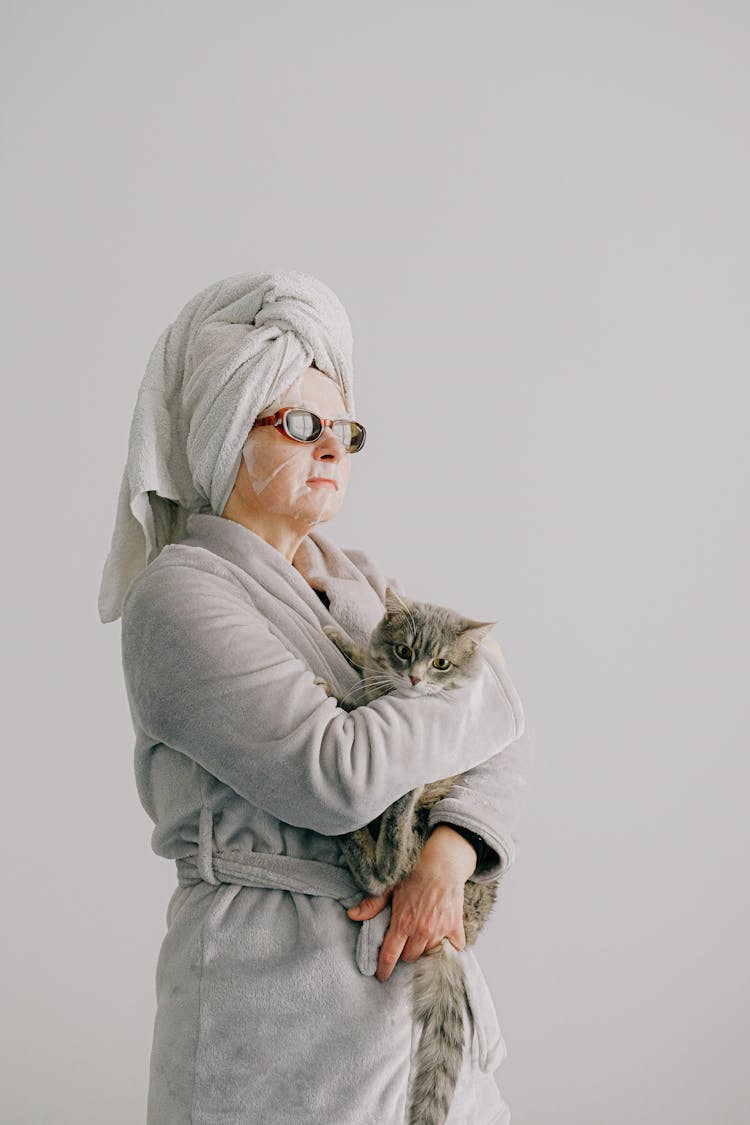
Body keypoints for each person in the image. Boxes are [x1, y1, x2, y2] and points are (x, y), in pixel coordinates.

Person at [99, 270, 533, 1125]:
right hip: (277, 1023)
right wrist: (480, 701)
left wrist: (447, 856)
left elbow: (506, 736)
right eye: (300, 424)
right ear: (227, 429)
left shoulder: (359, 580)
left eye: (344, 429)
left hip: (418, 1017)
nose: (332, 447)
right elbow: (335, 774)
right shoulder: (180, 595)